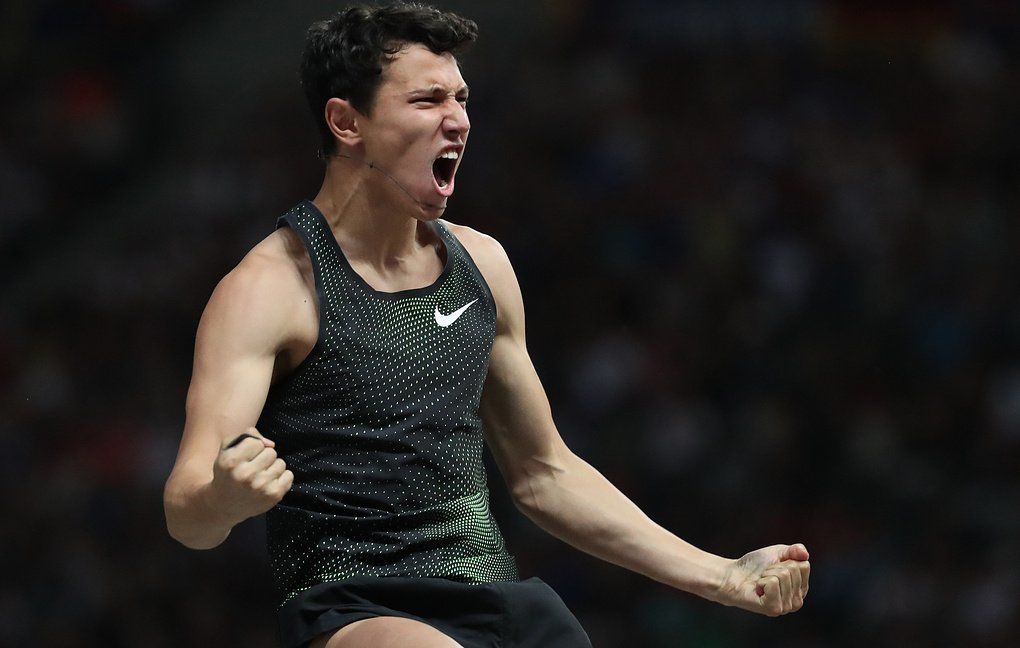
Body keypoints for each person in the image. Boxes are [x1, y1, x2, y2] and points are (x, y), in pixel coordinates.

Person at [163, 3, 811, 647]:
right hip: (356, 609)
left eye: (461, 99)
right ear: (346, 122)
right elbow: (186, 511)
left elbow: (544, 475)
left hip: (496, 604)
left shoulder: (482, 265)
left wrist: (722, 576)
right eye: (427, 100)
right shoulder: (269, 289)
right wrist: (224, 498)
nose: (458, 120)